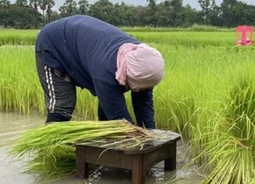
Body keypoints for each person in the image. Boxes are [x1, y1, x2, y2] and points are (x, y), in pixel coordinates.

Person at [35, 15, 164, 129]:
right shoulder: (106, 72)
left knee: (108, 107)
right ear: (125, 74)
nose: (136, 91)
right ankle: (49, 152)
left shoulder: (144, 62)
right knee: (62, 108)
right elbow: (120, 122)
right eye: (134, 87)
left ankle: (106, 150)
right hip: (54, 46)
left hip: (84, 43)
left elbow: (144, 106)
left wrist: (151, 134)